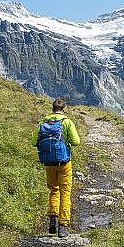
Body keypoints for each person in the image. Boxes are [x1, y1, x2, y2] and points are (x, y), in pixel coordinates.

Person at [40, 98, 80, 237]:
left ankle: (52, 218)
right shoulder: (67, 122)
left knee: (54, 190)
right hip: (64, 163)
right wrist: (66, 140)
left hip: (49, 163)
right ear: (64, 109)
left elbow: (35, 141)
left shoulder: (44, 122)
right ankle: (63, 226)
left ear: (52, 109)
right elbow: (76, 141)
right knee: (65, 192)